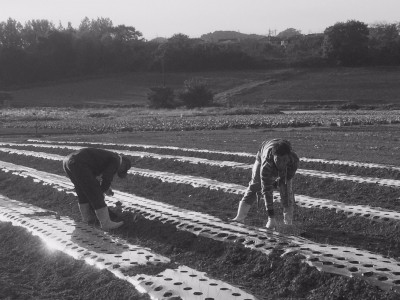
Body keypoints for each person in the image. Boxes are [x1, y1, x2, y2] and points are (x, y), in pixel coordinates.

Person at [231, 139, 299, 229]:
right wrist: (271, 217)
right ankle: (240, 217)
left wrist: (278, 183)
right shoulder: (267, 163)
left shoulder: (294, 160)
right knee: (256, 185)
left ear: (289, 157)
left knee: (286, 190)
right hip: (262, 153)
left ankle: (288, 223)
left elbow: (287, 179)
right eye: (278, 160)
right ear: (274, 156)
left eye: (284, 160)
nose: (281, 164)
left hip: (282, 158)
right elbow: (266, 189)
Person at [63, 148, 132, 230]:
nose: (118, 172)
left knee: (81, 191)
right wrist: (100, 192)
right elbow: (107, 177)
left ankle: (87, 218)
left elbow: (93, 174)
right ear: (123, 164)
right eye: (123, 170)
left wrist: (105, 188)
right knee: (95, 192)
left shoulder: (109, 156)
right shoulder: (116, 160)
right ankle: (106, 223)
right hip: (79, 163)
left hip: (68, 162)